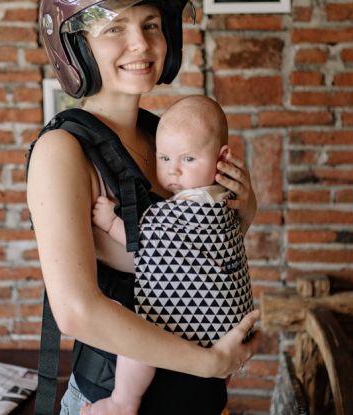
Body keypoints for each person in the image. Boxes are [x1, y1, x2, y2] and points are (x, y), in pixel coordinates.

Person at [27, 1, 260, 414]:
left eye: (151, 24)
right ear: (77, 44)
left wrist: (242, 215)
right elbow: (77, 312)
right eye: (115, 28)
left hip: (201, 399)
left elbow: (191, 261)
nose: (141, 43)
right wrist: (212, 362)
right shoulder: (62, 151)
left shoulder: (166, 136)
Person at [85, 95, 254, 415]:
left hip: (201, 322)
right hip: (226, 319)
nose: (173, 171)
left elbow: (148, 242)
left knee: (138, 337)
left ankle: (122, 401)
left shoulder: (191, 206)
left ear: (222, 157)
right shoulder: (227, 195)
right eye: (164, 159)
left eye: (188, 159)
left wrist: (110, 222)